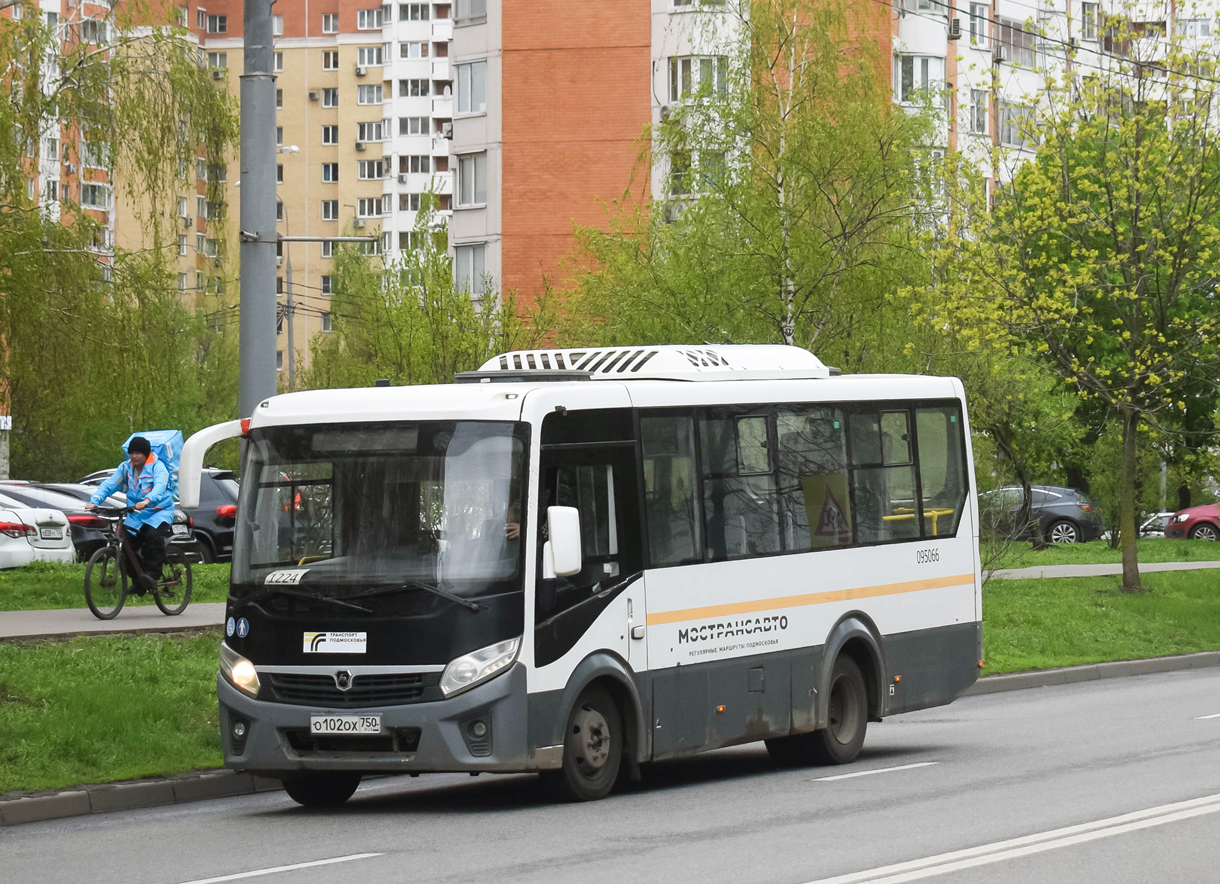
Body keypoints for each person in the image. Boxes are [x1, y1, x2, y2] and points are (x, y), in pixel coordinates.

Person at [86, 437, 174, 594]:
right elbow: (109, 485)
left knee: (153, 538)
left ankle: (152, 576)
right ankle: (139, 580)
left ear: (146, 453)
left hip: (158, 512)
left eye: (138, 452)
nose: (134, 456)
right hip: (137, 514)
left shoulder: (158, 467)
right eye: (132, 452)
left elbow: (160, 486)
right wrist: (94, 501)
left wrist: (148, 500)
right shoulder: (126, 468)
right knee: (123, 545)